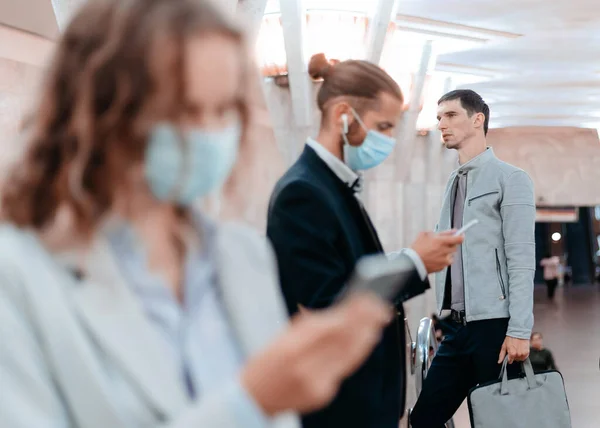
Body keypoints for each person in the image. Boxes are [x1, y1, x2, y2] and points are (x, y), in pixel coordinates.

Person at [0, 2, 398, 427]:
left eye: (224, 109)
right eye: (185, 110)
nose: (210, 132)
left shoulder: (241, 256)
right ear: (102, 110)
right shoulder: (21, 275)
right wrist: (248, 403)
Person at [266, 53, 464, 428]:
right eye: (383, 126)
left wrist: (411, 256)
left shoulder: (331, 186)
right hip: (339, 405)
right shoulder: (303, 193)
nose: (388, 140)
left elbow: (350, 270)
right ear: (343, 114)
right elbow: (327, 306)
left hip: (366, 401)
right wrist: (415, 263)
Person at [410, 89, 536, 427]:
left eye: (450, 116)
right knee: (423, 419)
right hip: (456, 329)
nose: (441, 125)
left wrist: (520, 330)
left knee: (496, 421)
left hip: (495, 327)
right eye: (438, 118)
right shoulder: (453, 181)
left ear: (477, 119)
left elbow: (522, 259)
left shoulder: (511, 179)